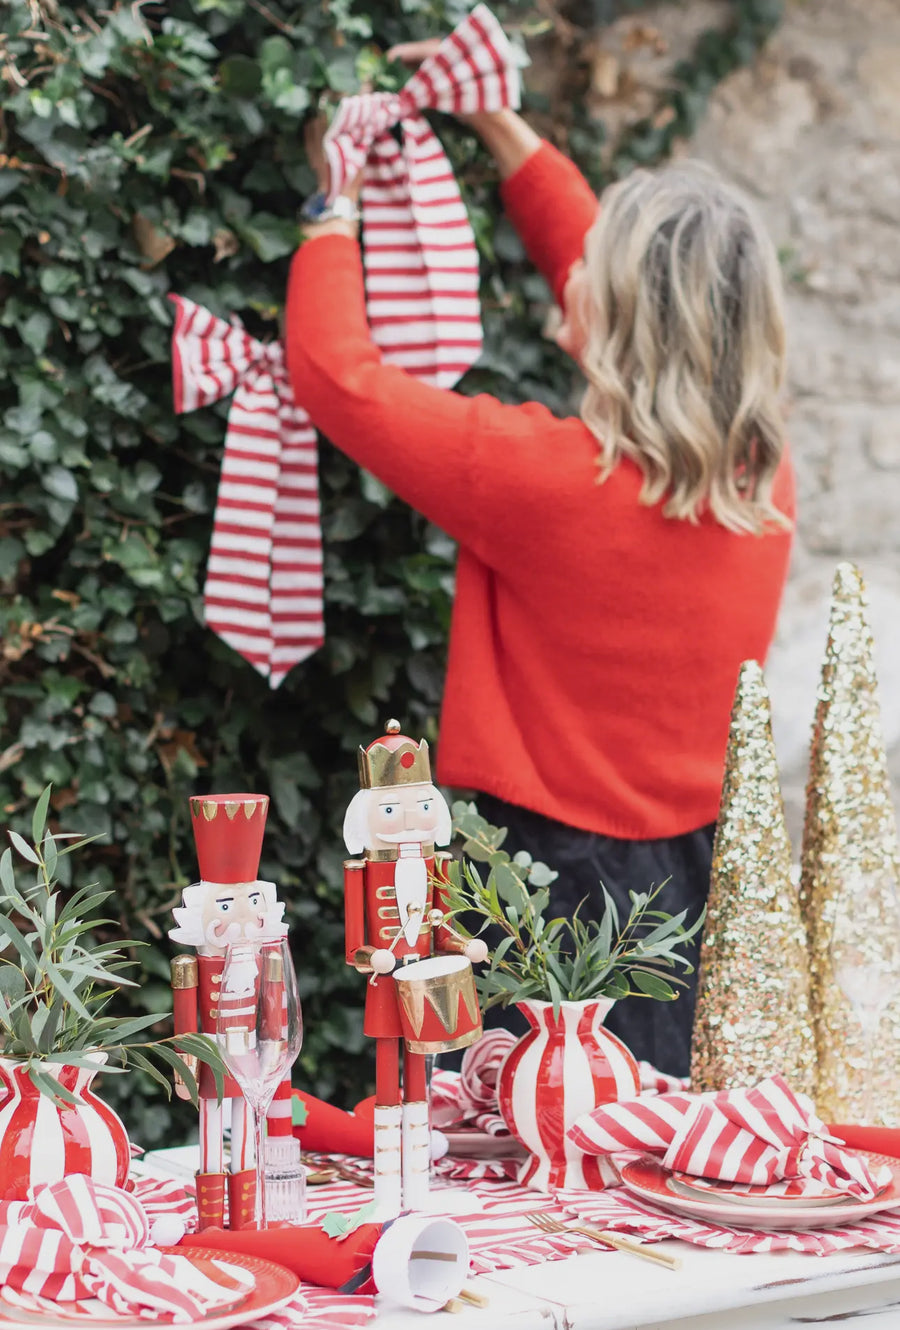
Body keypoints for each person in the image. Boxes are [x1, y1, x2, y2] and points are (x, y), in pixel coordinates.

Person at [284, 55, 795, 1077]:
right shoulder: (760, 480)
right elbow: (635, 293)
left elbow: (337, 378)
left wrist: (329, 206)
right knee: (657, 1137)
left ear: (612, 322)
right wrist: (503, 130)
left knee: (532, 1149)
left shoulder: (539, 480)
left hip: (541, 882)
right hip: (697, 878)